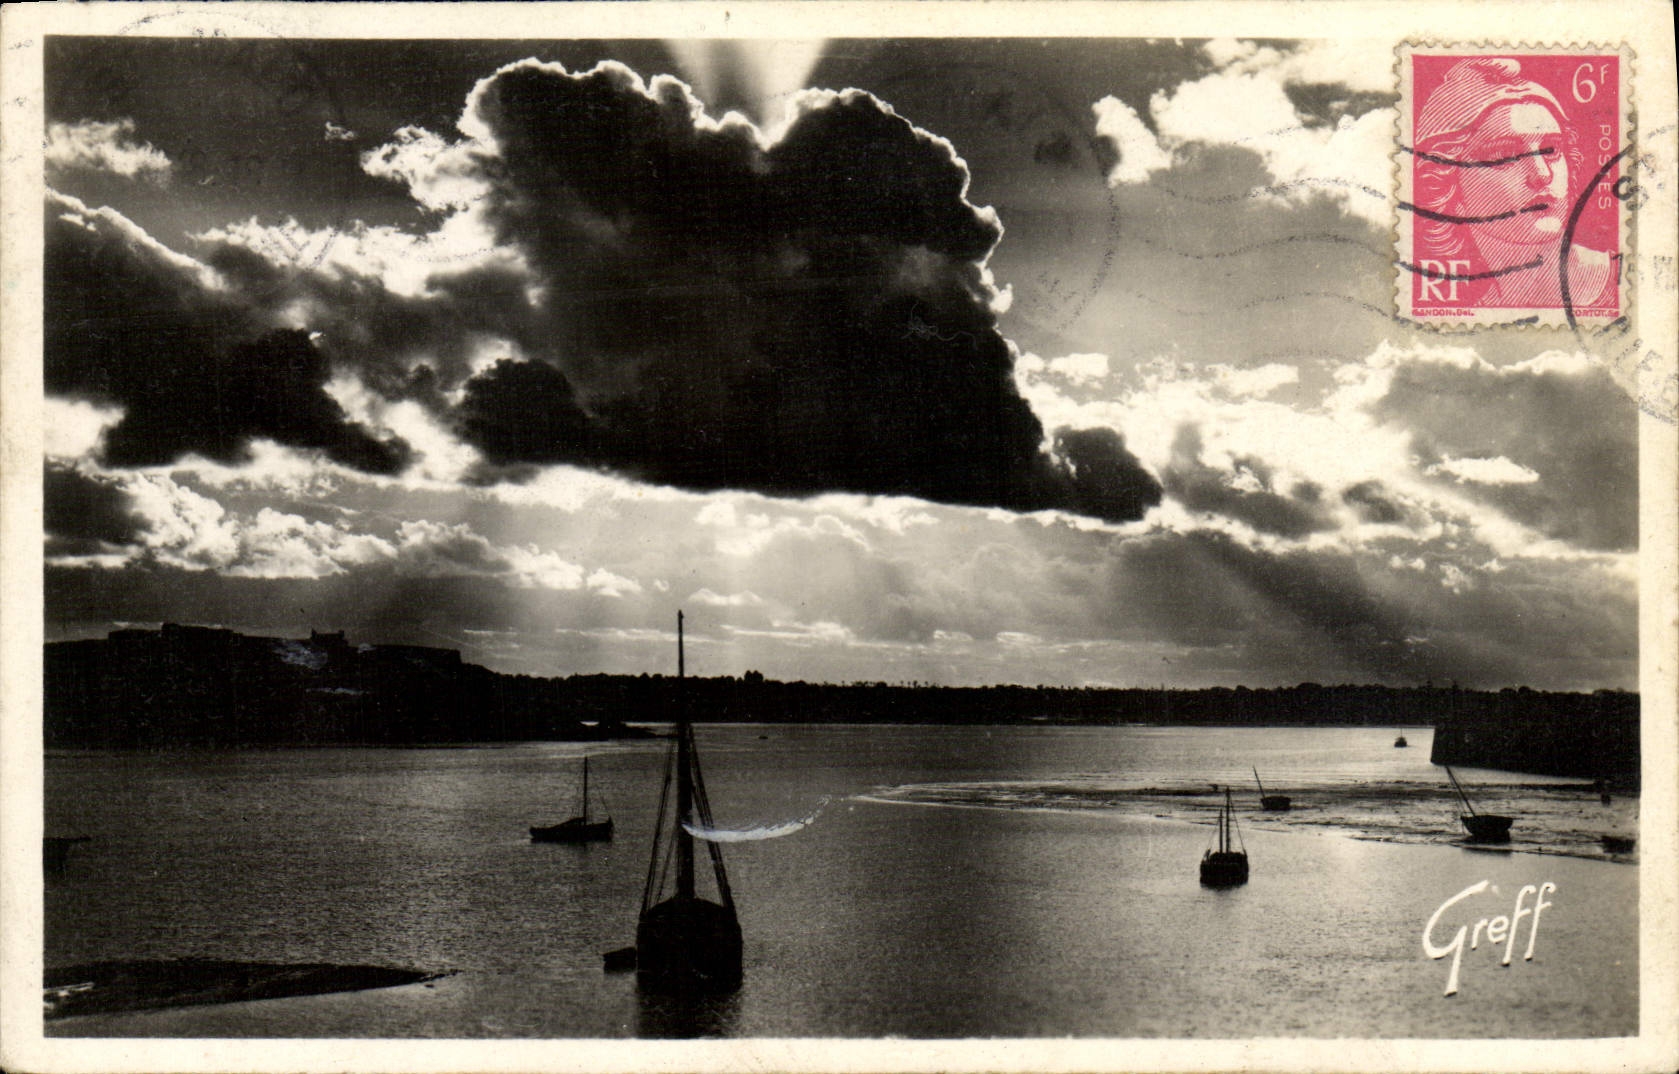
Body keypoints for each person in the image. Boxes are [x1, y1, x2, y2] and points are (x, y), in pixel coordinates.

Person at [1411, 57, 1615, 309]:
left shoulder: (1618, 280)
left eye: (1551, 149)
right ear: (1445, 185)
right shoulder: (1479, 312)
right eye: (1504, 154)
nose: (1541, 174)